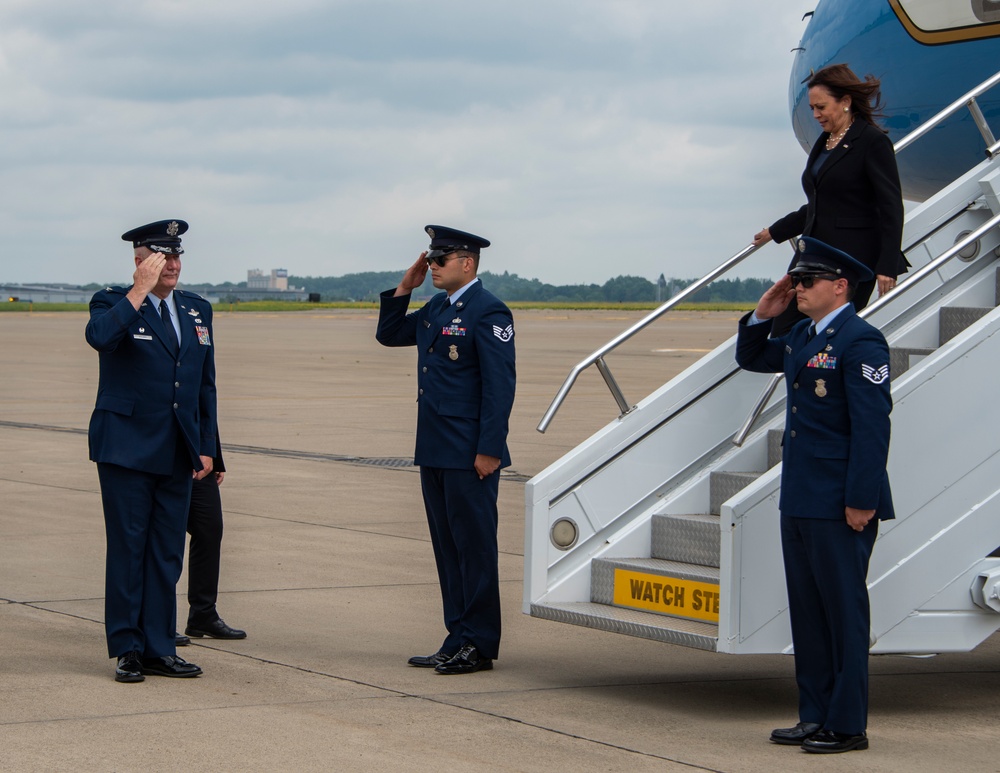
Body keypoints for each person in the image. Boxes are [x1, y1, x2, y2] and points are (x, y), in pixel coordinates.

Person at [735, 236, 894, 754]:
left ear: (840, 286)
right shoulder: (804, 333)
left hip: (841, 500)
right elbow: (754, 356)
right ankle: (814, 713)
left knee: (843, 612)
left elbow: (872, 428)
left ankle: (847, 724)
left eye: (806, 281)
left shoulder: (862, 341)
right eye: (795, 280)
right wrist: (763, 312)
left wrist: (862, 499)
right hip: (801, 493)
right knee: (807, 609)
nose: (797, 288)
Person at [375, 225, 516, 675]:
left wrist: (489, 448)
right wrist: (406, 287)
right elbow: (390, 333)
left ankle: (479, 643)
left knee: (474, 550)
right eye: (430, 260)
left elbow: (500, 387)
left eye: (439, 261)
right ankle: (456, 636)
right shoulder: (437, 306)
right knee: (447, 548)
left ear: (467, 264)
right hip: (435, 448)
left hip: (470, 453)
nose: (432, 266)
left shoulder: (490, 311)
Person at [86, 219, 216, 683]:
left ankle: (160, 646)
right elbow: (101, 338)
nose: (173, 265)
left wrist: (208, 449)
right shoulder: (112, 302)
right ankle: (128, 648)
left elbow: (204, 385)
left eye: (177, 256)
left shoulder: (197, 310)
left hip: (177, 451)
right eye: (163, 257)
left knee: (165, 553)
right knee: (129, 549)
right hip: (125, 449)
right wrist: (137, 292)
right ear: (141, 261)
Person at [753, 63, 907, 336]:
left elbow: (891, 206)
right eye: (812, 108)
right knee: (785, 329)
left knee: (831, 335)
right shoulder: (824, 142)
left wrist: (887, 266)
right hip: (813, 252)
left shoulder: (871, 142)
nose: (815, 114)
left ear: (845, 102)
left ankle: (828, 380)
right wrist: (776, 230)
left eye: (821, 107)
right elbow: (820, 202)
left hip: (851, 259)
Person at [174, 435, 247, 647]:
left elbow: (206, 409)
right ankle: (159, 620)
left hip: (199, 456)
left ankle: (202, 615)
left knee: (209, 529)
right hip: (166, 452)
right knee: (167, 536)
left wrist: (214, 455)